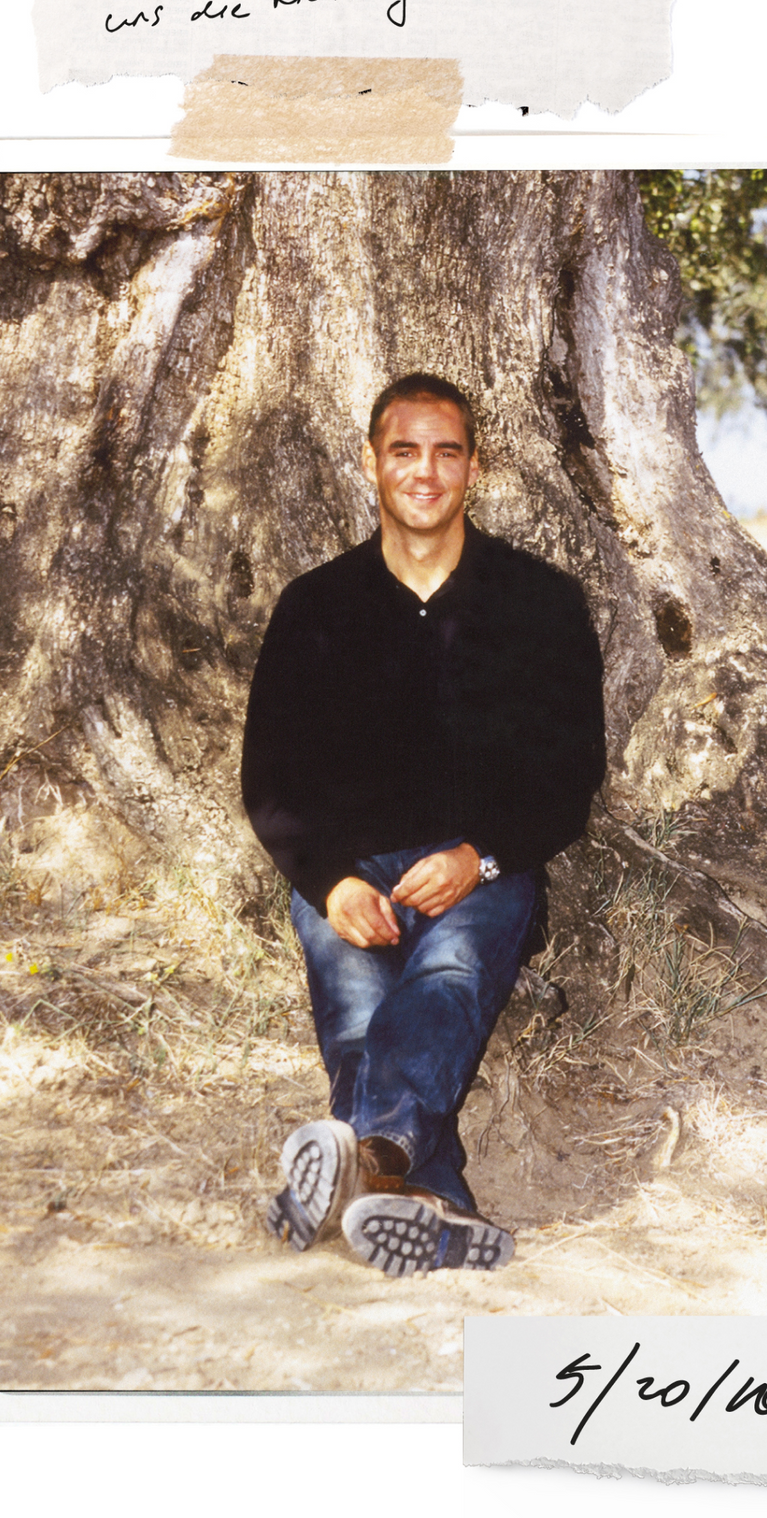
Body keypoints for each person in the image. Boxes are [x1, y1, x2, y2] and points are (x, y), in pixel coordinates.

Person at [241, 374, 606, 1276]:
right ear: (373, 462)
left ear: (474, 467)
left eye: (447, 451)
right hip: (350, 872)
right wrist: (329, 879)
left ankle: (356, 1167)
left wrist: (480, 857)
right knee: (360, 1014)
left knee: (445, 978)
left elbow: (570, 776)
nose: (426, 471)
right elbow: (269, 779)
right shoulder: (314, 606)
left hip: (484, 873)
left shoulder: (541, 603)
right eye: (405, 449)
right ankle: (423, 1196)